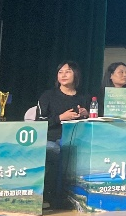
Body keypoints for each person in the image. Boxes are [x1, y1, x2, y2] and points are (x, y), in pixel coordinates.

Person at [37, 61, 89, 208]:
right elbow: (38, 122)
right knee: (54, 150)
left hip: (76, 140)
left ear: (76, 74)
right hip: (53, 138)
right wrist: (60, 118)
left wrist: (86, 114)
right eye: (60, 72)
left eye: (68, 71)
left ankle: (78, 196)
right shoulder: (48, 96)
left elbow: (93, 121)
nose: (63, 75)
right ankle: (51, 197)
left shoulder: (83, 98)